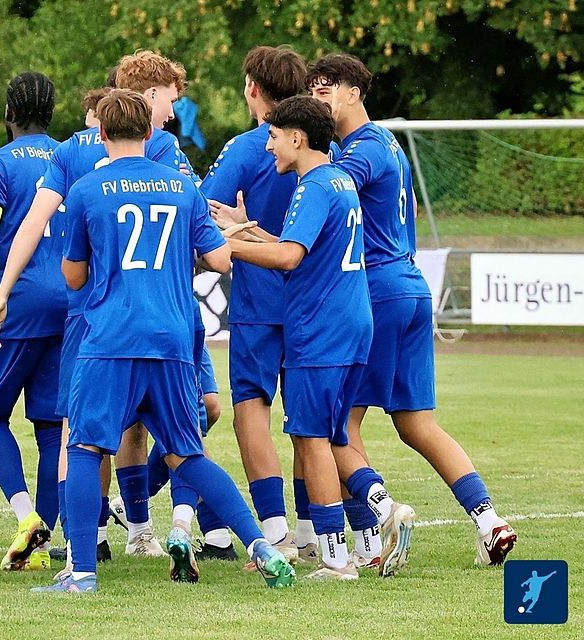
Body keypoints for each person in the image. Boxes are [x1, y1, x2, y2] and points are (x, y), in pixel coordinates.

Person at [33, 90, 294, 593]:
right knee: (187, 454)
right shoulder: (181, 187)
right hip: (175, 336)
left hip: (110, 337)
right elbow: (220, 260)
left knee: (85, 447)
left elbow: (72, 275)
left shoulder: (86, 189)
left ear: (102, 134)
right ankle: (260, 544)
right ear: (150, 134)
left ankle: (82, 572)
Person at [0, 50, 199, 562]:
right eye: (170, 94)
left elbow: (32, 224)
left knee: (81, 428)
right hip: (158, 309)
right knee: (177, 422)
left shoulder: (69, 153)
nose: (173, 107)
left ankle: (94, 538)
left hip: (91, 313)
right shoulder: (162, 148)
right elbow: (196, 234)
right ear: (145, 98)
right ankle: (168, 529)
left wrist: (3, 289)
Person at [308, 53, 516, 566]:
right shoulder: (387, 144)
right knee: (416, 424)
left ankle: (380, 516)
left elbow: (331, 194)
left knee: (336, 425)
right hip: (411, 287)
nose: (319, 99)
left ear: (354, 92)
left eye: (325, 89)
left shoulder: (361, 151)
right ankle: (489, 521)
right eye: (313, 91)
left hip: (375, 293)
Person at [223, 96, 369, 580]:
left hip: (320, 329)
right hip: (350, 324)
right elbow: (296, 248)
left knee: (311, 438)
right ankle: (371, 527)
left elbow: (288, 259)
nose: (268, 147)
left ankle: (337, 557)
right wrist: (246, 231)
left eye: (273, 136)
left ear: (296, 138)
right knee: (333, 434)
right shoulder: (339, 179)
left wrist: (228, 247)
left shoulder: (313, 188)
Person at [202, 45, 308, 563]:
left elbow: (204, 213)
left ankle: (275, 532)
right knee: (310, 417)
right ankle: (316, 531)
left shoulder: (247, 148)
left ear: (252, 89)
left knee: (251, 411)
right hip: (317, 302)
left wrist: (232, 228)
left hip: (260, 302)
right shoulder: (321, 148)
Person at [0, 71, 63, 571]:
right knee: (51, 426)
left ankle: (26, 516)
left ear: (9, 113)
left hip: (19, 301)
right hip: (69, 303)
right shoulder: (72, 154)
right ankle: (43, 544)